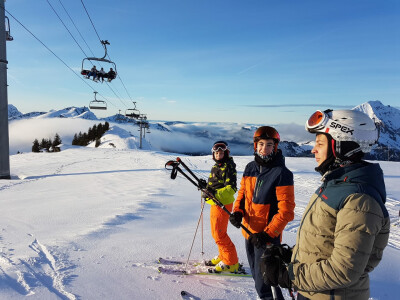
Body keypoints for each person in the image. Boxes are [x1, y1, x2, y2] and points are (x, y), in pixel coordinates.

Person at [261, 109, 390, 300]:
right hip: (314, 291)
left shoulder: (359, 200)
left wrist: (289, 276)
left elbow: (343, 270)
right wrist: (292, 256)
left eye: (320, 143)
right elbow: (323, 240)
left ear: (342, 146)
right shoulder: (336, 185)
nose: (313, 149)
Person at [229, 126, 295, 300]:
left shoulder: (281, 173)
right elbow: (242, 195)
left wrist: (267, 235)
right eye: (261, 144)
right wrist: (237, 212)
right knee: (259, 276)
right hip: (249, 233)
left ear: (275, 147)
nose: (264, 149)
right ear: (255, 146)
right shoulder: (250, 167)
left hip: (266, 238)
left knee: (265, 280)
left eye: (269, 145)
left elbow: (286, 211)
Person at [203, 141, 240, 273]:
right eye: (217, 152)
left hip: (223, 203)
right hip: (215, 203)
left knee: (220, 234)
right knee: (215, 233)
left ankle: (232, 262)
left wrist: (214, 194)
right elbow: (213, 185)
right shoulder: (216, 166)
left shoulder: (228, 167)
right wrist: (206, 189)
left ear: (226, 153)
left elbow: (231, 188)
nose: (219, 154)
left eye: (221, 152)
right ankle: (224, 256)